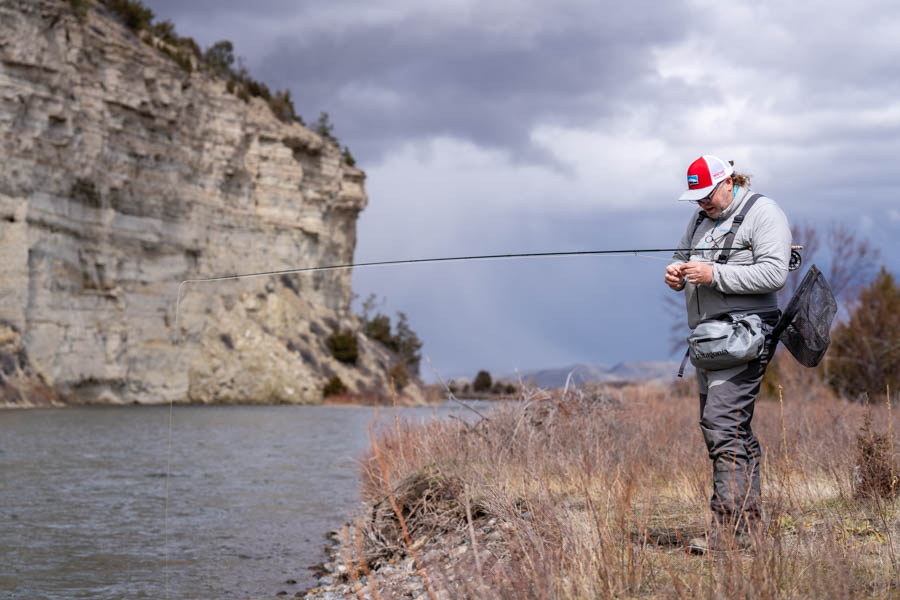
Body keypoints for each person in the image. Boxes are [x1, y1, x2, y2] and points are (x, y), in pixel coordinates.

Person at [664, 155, 791, 553]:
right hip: (708, 338)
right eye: (695, 199)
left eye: (706, 195)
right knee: (726, 427)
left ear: (728, 182)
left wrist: (715, 274)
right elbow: (682, 256)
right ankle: (746, 531)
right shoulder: (701, 218)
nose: (702, 204)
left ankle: (731, 536)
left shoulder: (764, 212)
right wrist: (675, 272)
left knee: (722, 425)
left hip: (745, 335)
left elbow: (775, 273)